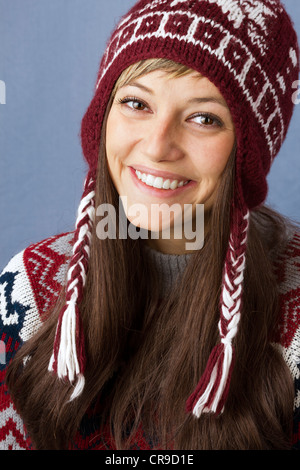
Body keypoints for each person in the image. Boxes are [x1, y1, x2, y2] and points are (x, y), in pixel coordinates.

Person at [0, 0, 299, 451]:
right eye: (137, 103)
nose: (159, 146)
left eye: (204, 118)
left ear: (248, 151)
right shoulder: (30, 290)